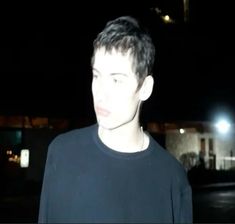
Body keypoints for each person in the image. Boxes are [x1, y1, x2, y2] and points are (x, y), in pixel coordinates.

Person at [38, 15, 192, 223]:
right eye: (97, 76)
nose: (101, 93)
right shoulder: (61, 153)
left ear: (145, 88)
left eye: (117, 80)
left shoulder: (172, 179)